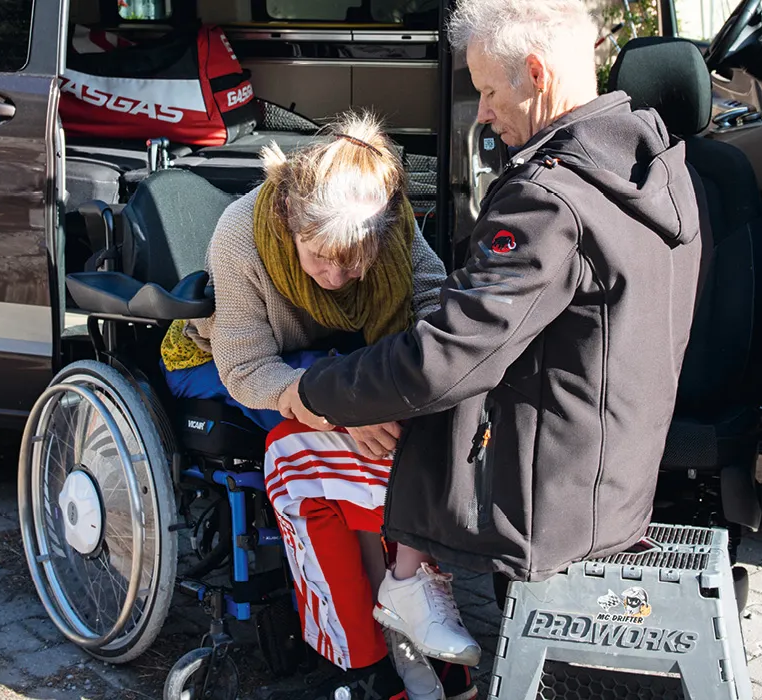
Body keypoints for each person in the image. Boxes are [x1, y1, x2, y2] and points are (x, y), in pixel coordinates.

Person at [279, 0, 703, 604]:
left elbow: (445, 361)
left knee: (297, 453)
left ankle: (385, 637)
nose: (481, 113)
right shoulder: (655, 165)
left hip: (540, 511)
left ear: (536, 73)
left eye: (485, 90)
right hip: (614, 486)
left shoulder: (548, 202)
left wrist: (317, 392)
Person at [159, 111, 479, 700]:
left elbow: (432, 300)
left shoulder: (392, 221)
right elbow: (248, 370)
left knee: (397, 431)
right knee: (327, 449)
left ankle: (398, 616)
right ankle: (378, 650)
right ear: (290, 221)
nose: (338, 275)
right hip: (222, 369)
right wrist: (343, 408)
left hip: (331, 363)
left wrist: (420, 378)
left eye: (355, 260)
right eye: (320, 258)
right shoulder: (241, 234)